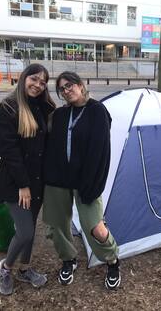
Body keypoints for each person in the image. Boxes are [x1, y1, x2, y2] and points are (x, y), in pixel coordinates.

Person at [43, 71, 121, 290]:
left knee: (94, 226)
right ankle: (69, 259)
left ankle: (112, 260)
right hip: (58, 179)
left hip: (86, 179)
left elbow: (101, 151)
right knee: (57, 225)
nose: (66, 91)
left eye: (69, 86)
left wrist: (95, 182)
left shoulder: (97, 111)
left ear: (80, 85)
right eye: (61, 89)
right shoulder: (59, 115)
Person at [0, 63, 55, 295]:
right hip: (16, 183)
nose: (38, 85)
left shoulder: (42, 106)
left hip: (38, 181)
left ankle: (25, 269)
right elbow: (8, 150)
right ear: (24, 78)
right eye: (34, 79)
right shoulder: (9, 107)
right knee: (26, 231)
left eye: (42, 82)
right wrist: (23, 185)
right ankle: (6, 267)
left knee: (30, 229)